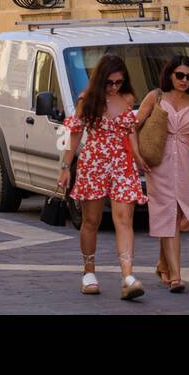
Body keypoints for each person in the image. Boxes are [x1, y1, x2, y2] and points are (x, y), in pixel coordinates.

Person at [58, 54, 148, 300]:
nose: (114, 87)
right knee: (91, 221)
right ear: (100, 80)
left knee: (124, 219)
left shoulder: (128, 98)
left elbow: (130, 132)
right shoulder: (87, 100)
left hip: (122, 163)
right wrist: (66, 167)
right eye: (110, 82)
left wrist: (138, 157)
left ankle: (128, 277)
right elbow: (73, 133)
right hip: (94, 162)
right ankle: (89, 272)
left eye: (119, 82)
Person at [136, 56, 189, 294]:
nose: (184, 80)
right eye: (180, 75)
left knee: (180, 214)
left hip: (186, 160)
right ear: (170, 74)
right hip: (160, 161)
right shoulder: (156, 96)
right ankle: (176, 276)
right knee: (167, 211)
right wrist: (136, 156)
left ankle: (163, 264)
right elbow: (135, 123)